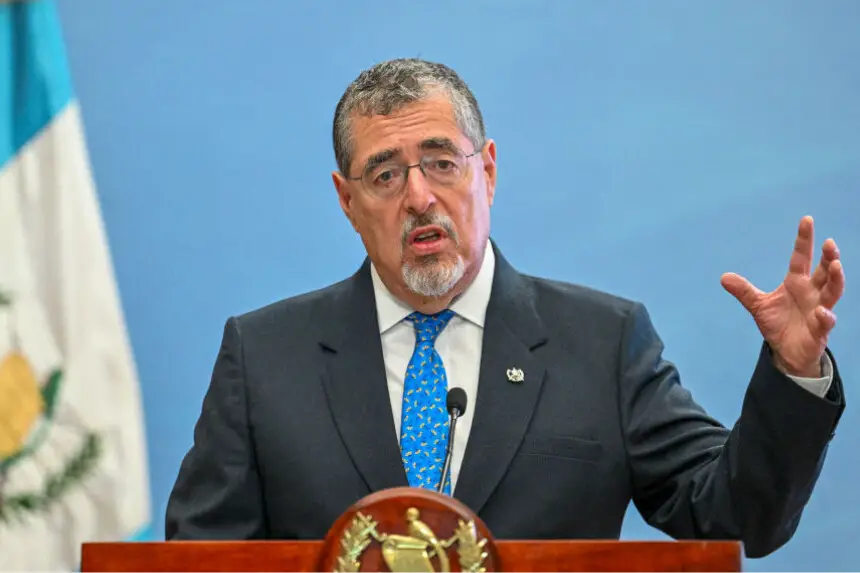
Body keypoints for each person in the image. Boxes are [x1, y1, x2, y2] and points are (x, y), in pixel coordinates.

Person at [164, 58, 846, 558]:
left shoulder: (602, 342)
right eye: (385, 174)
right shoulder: (264, 357)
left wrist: (794, 371)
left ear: (486, 170)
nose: (420, 196)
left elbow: (736, 515)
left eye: (441, 163)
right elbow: (198, 561)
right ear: (347, 201)